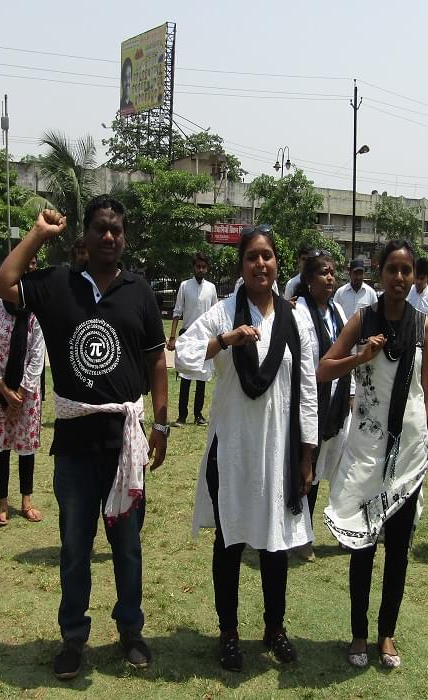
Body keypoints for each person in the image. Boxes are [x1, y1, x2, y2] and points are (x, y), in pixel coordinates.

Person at [0, 197, 167, 679]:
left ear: (124, 238)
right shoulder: (57, 285)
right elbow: (3, 283)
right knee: (74, 546)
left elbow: (156, 359)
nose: (108, 237)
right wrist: (38, 234)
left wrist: (161, 422)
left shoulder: (140, 293)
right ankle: (73, 637)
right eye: (99, 229)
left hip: (124, 444)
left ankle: (130, 629)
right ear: (85, 238)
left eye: (116, 230)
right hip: (73, 444)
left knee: (128, 545)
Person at [175, 226, 317, 672]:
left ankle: (274, 629)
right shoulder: (221, 314)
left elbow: (308, 386)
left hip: (279, 450)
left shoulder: (297, 319)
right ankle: (229, 632)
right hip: (233, 450)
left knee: (276, 546)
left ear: (278, 264)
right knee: (230, 542)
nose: (261, 264)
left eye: (268, 256)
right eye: (252, 257)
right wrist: (224, 341)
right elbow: (183, 354)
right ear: (241, 266)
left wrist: (307, 453)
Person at [318, 240, 428, 669]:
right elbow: (322, 369)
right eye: (391, 269)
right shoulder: (363, 319)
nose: (398, 278)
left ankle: (386, 634)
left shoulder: (423, 327)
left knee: (397, 550)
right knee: (363, 546)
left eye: (406, 271)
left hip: (409, 454)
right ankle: (358, 634)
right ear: (379, 271)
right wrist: (360, 357)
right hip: (366, 452)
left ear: (414, 276)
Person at [292, 250, 351, 562]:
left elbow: (347, 355)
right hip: (310, 401)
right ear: (309, 279)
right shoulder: (298, 312)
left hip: (337, 404)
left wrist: (351, 394)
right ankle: (302, 534)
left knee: (340, 470)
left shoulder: (339, 311)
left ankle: (344, 530)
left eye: (332, 273)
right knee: (308, 472)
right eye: (323, 273)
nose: (330, 278)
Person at [0, 285, 46, 526]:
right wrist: (4, 391)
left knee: (26, 447)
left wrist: (19, 394)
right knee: (1, 448)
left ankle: (26, 501)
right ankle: (2, 503)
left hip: (26, 395)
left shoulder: (34, 313)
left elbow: (37, 356)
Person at [167, 252, 219, 427]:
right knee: (186, 376)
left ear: (207, 269)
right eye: (198, 266)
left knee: (202, 378)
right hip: (187, 336)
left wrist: (217, 339)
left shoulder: (211, 288)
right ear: (193, 267)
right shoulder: (184, 286)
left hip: (205, 338)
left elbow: (215, 314)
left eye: (204, 267)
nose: (201, 270)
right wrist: (172, 337)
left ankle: (198, 415)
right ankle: (182, 417)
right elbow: (177, 312)